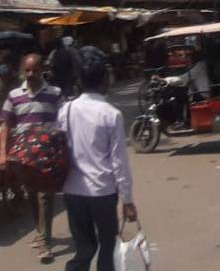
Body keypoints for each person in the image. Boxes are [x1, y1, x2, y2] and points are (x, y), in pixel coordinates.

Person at [58, 46, 137, 271]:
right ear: (105, 79)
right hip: (103, 193)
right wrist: (128, 200)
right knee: (107, 245)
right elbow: (119, 163)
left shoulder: (66, 110)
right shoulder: (110, 114)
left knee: (83, 248)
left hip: (73, 191)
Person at [0, 54, 63, 263]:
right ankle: (40, 232)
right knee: (32, 195)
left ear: (42, 69)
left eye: (35, 70)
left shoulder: (54, 93)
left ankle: (45, 241)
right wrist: (2, 153)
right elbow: (6, 125)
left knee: (45, 196)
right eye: (27, 70)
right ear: (22, 71)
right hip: (23, 156)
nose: (31, 74)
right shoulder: (14, 95)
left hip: (47, 155)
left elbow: (64, 122)